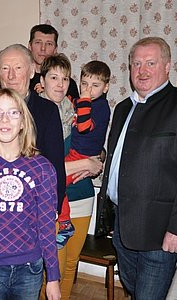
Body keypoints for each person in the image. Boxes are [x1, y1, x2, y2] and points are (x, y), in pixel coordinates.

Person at [98, 36, 177, 299]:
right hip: (121, 226)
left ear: (167, 66)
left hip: (161, 233)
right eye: (137, 63)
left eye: (150, 62)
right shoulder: (122, 108)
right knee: (132, 288)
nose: (142, 70)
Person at [0, 88, 61, 300]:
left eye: (13, 113)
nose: (5, 119)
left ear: (23, 122)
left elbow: (46, 226)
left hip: (29, 269)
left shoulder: (42, 169)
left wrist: (53, 277)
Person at [0, 44, 66, 213]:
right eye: (5, 68)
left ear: (32, 71)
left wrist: (52, 210)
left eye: (18, 68)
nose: (11, 76)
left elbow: (55, 167)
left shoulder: (47, 111)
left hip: (32, 209)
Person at [38, 54, 105, 298]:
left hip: (83, 195)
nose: (59, 83)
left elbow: (94, 143)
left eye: (65, 78)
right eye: (53, 77)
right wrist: (86, 163)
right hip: (52, 203)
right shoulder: (32, 114)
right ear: (42, 81)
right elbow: (44, 170)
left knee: (71, 264)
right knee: (52, 268)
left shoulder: (75, 109)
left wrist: (99, 156)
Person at [55, 60, 111, 249]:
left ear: (106, 88)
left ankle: (64, 224)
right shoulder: (86, 104)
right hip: (78, 153)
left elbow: (85, 126)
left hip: (80, 155)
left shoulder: (100, 107)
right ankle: (64, 222)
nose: (88, 89)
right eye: (84, 84)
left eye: (95, 86)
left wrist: (84, 99)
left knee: (55, 183)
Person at [28, 24, 79, 99]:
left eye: (49, 44)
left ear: (55, 49)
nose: (43, 48)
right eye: (38, 42)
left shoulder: (67, 84)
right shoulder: (22, 80)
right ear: (30, 46)